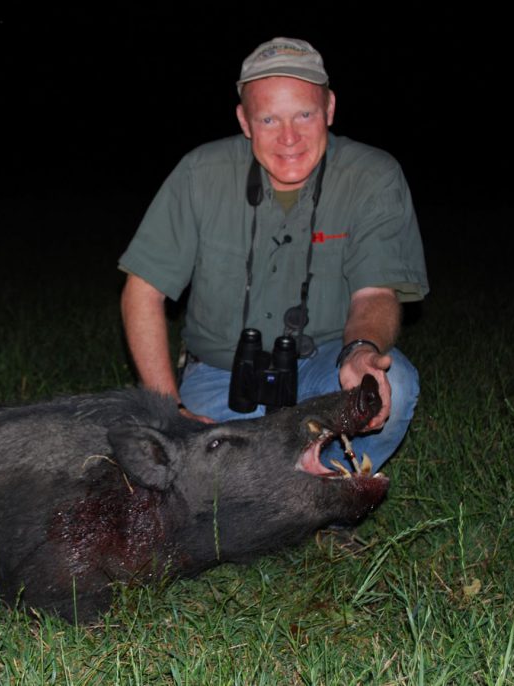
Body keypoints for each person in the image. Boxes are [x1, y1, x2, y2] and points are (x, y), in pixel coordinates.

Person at [118, 37, 428, 472]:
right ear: (245, 120)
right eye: (269, 119)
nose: (289, 138)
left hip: (324, 370)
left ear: (330, 108)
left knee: (390, 383)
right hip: (219, 377)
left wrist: (360, 351)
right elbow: (141, 292)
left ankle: (330, 497)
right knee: (211, 494)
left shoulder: (373, 177)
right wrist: (171, 414)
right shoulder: (199, 174)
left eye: (305, 114)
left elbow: (375, 292)